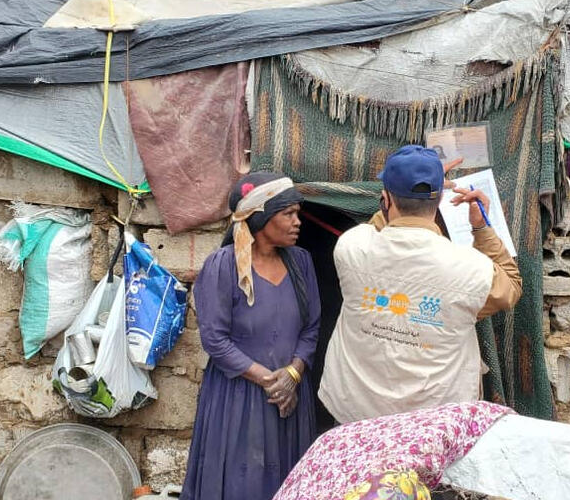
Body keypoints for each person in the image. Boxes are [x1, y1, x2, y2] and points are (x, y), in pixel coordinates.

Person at [319, 145, 522, 424]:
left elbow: (379, 226)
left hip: (356, 415)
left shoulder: (351, 246)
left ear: (385, 200)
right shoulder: (471, 268)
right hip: (432, 423)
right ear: (439, 200)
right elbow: (510, 286)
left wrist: (407, 195)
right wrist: (481, 229)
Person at [181, 172, 322, 500]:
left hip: (289, 396)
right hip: (238, 398)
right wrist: (269, 380)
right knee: (239, 483)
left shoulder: (302, 263)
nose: (297, 221)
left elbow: (312, 327)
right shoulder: (222, 266)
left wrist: (292, 374)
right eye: (288, 214)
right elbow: (215, 340)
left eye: (297, 213)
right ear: (261, 218)